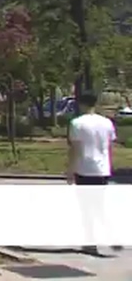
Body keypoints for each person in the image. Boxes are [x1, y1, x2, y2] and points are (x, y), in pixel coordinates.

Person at [67, 90, 118, 256]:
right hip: (102, 169)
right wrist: (109, 165)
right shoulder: (107, 123)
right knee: (99, 204)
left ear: (81, 103)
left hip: (85, 169)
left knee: (86, 208)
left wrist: (70, 170)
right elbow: (109, 147)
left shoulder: (77, 123)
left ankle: (91, 242)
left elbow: (76, 149)